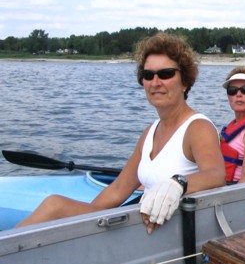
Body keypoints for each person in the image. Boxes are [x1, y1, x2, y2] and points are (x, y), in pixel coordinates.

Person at [17, 33, 226, 234]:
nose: (155, 82)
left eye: (165, 74)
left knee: (55, 205)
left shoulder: (197, 127)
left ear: (185, 81)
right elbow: (118, 190)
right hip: (144, 224)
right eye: (148, 75)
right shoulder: (149, 133)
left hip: (170, 231)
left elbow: (216, 175)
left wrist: (178, 183)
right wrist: (82, 220)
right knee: (57, 206)